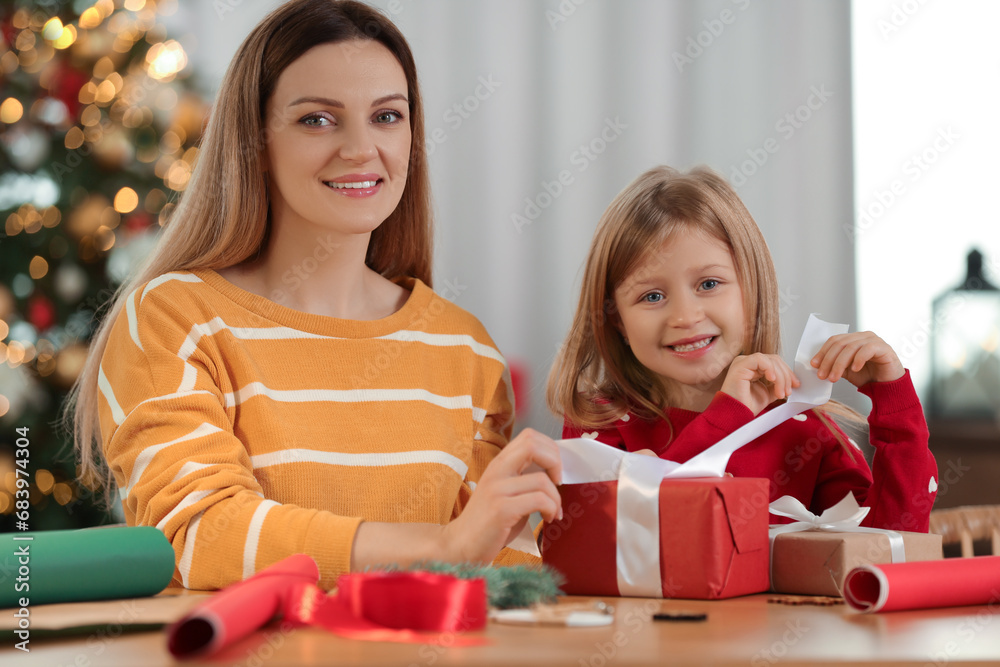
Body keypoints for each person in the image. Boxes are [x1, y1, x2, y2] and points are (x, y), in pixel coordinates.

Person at [68, 0, 562, 591]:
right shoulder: (172, 319)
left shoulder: (465, 349)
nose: (360, 148)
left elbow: (502, 578)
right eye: (317, 120)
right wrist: (441, 546)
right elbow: (200, 536)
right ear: (255, 140)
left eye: (386, 116)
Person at [548, 165, 938, 531]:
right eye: (652, 296)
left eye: (708, 284)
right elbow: (615, 542)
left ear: (753, 290)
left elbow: (886, 550)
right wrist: (727, 417)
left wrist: (894, 404)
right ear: (616, 319)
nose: (685, 316)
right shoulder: (600, 425)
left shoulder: (806, 432)